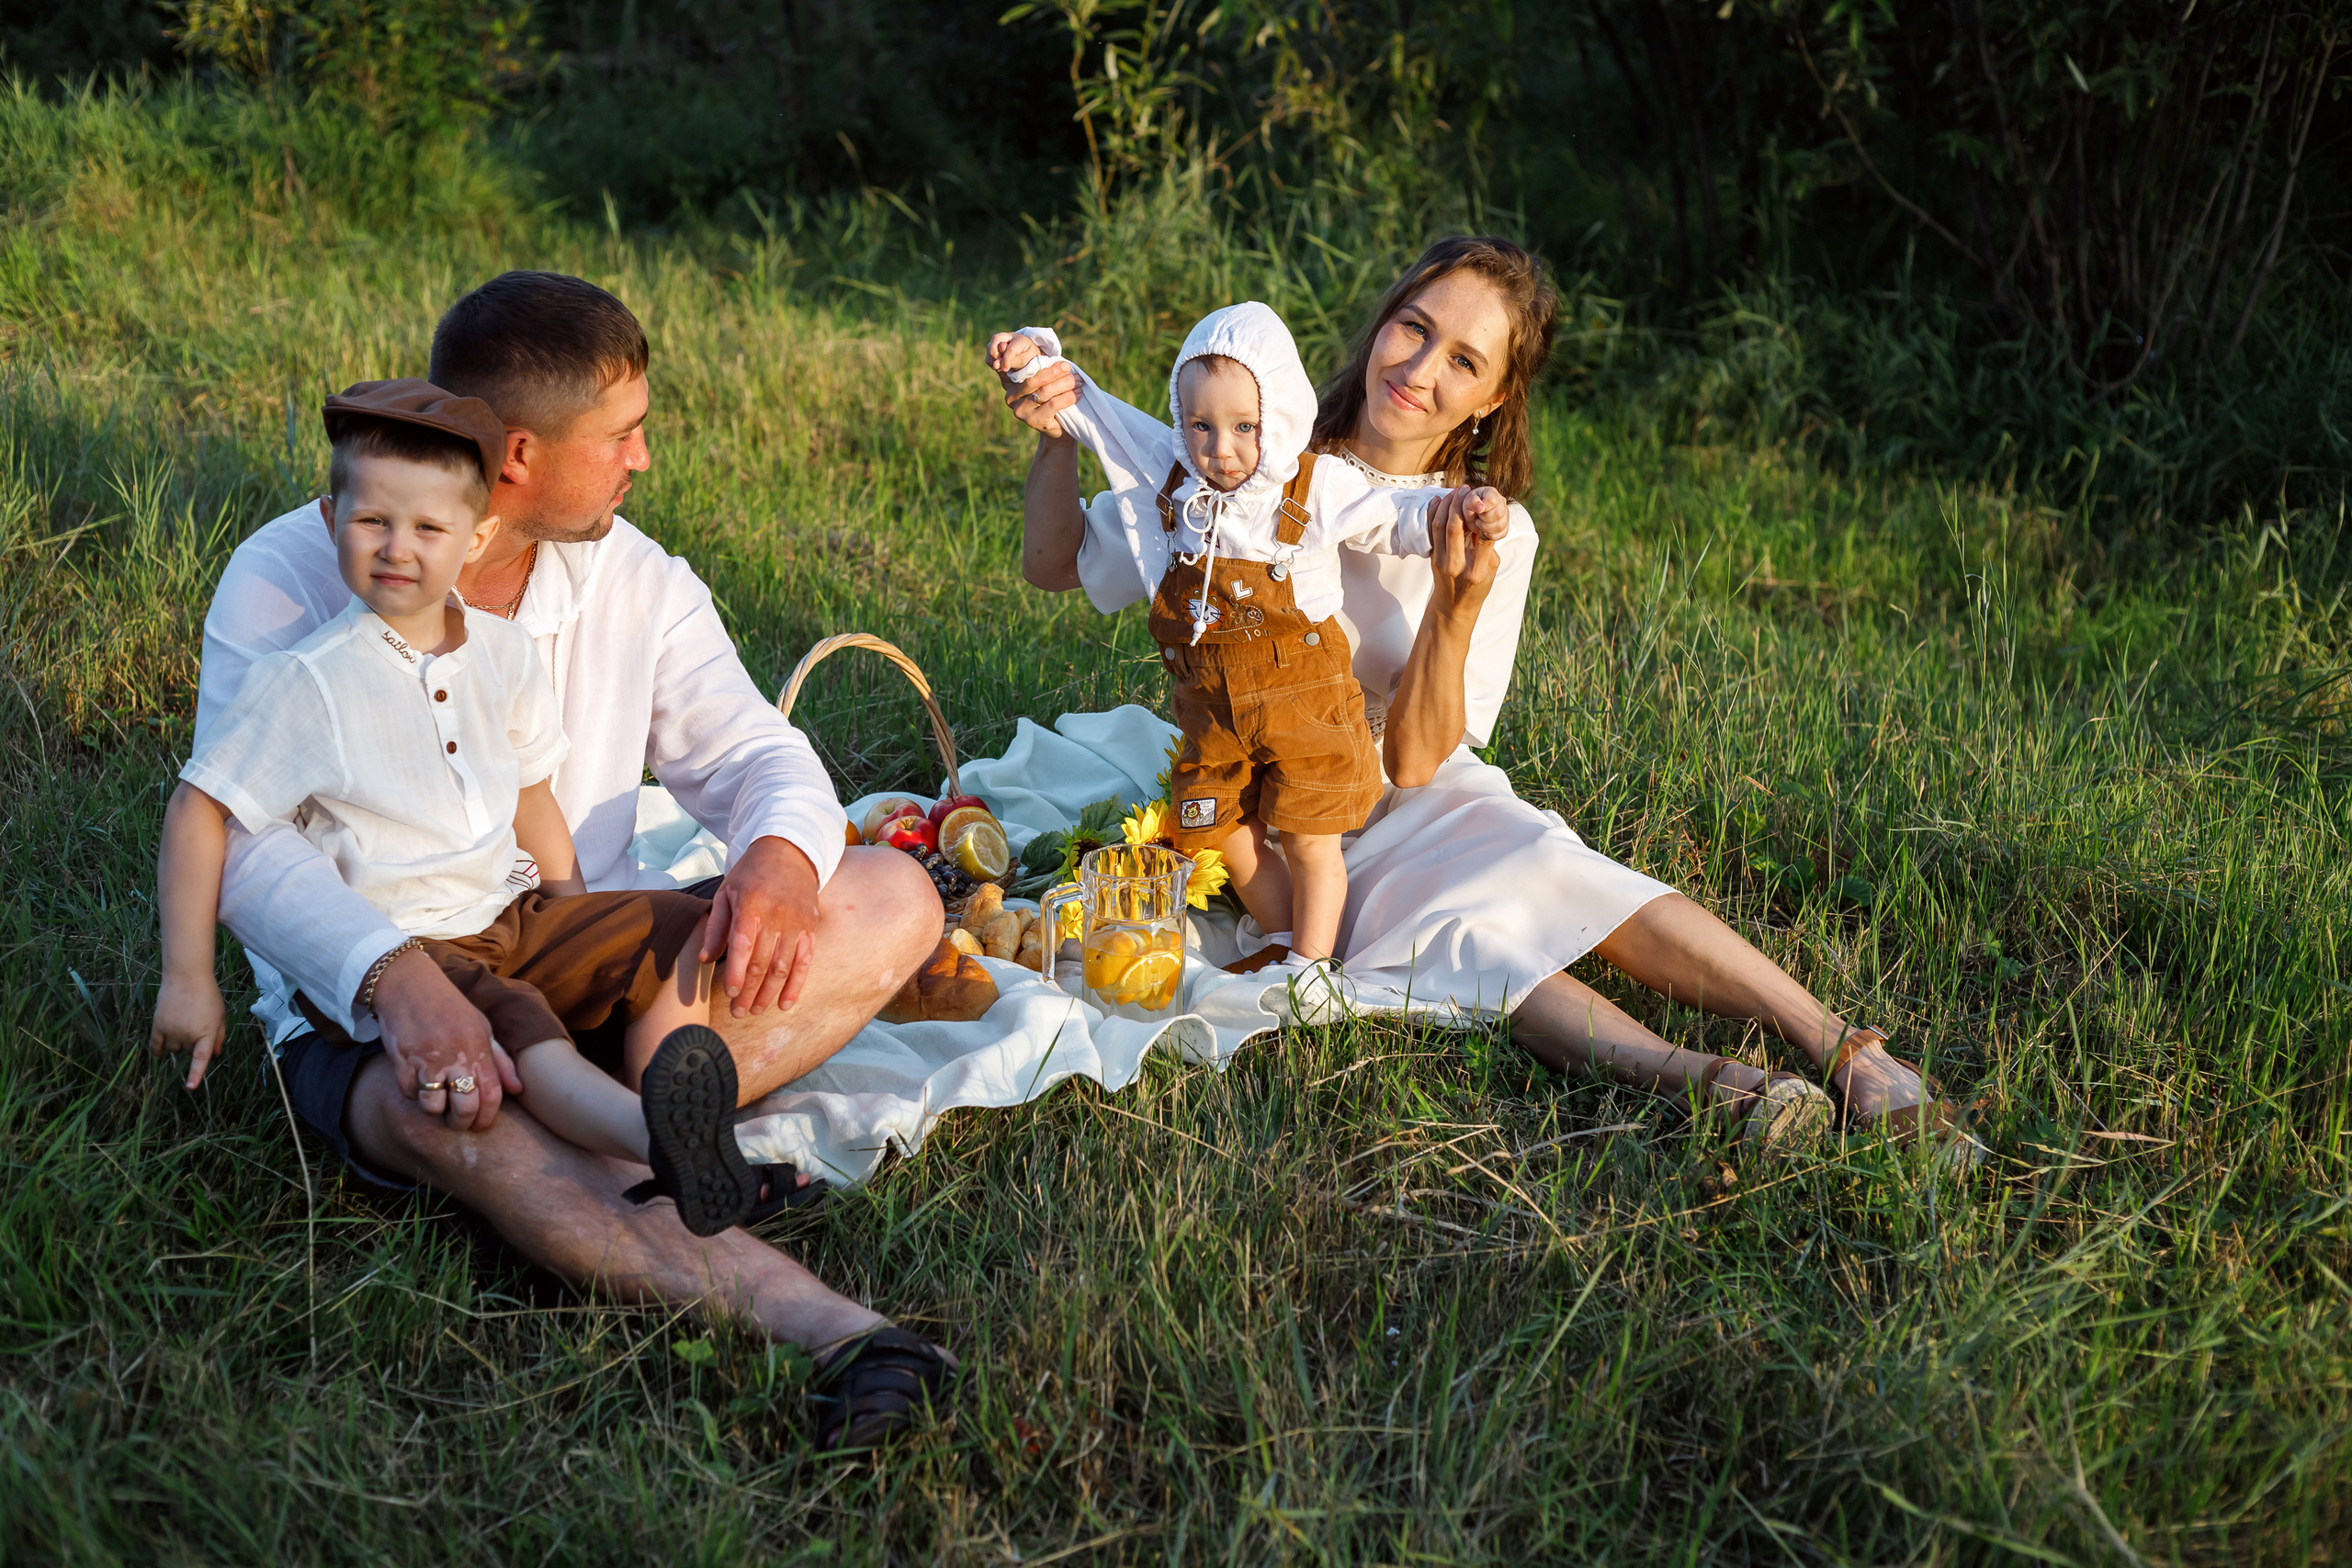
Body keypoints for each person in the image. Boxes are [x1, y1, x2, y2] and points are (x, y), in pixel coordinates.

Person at [193, 273, 956, 1447]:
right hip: (373, 1010)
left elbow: (755, 748)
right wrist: (399, 984)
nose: (641, 458)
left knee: (891, 892)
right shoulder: (294, 575)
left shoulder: (634, 578)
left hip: (571, 952)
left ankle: (628, 1110)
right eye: (618, 435)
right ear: (513, 454)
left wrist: (782, 862)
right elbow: (235, 842)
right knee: (468, 1113)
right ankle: (841, 1332)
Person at [997, 237, 1972, 1156]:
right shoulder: (1240, 452)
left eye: (1463, 361)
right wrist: (1055, 438)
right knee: (1452, 932)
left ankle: (1841, 1044)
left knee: (1544, 857)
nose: (1419, 369)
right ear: (1382, 323)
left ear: (1492, 399)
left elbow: (1420, 760)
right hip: (1282, 803)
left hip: (1412, 780)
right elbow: (1051, 566)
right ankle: (1708, 1083)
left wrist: (1458, 602)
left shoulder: (1485, 530)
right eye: (1414, 327)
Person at [155, 380, 773, 1236]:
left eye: (429, 529)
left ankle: (670, 1092)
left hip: (505, 916)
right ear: (331, 520)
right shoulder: (308, 680)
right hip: (402, 947)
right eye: (373, 521)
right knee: (526, 1034)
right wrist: (187, 977)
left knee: (672, 926)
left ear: (476, 535)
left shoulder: (503, 655)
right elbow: (200, 811)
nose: (397, 548)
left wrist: (572, 910)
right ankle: (654, 1139)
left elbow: (531, 795)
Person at [988, 302, 1508, 983]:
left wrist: (1455, 510)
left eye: (1242, 427)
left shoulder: (1313, 484)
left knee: (1307, 835)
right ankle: (1290, 935)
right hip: (1212, 707)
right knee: (1221, 826)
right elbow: (1102, 417)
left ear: (1280, 419)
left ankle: (1311, 969)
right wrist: (1033, 361)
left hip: (1305, 702)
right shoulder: (1180, 479)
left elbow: (1393, 517)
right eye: (1200, 425)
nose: (1219, 448)